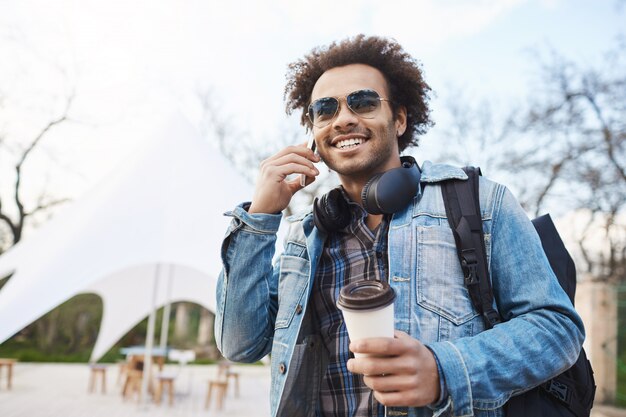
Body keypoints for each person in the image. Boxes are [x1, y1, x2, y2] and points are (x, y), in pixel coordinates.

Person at [214, 35, 585, 417]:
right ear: (314, 137)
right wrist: (260, 216)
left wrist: (445, 370)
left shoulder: (481, 203)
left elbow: (557, 329)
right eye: (325, 109)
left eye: (363, 102)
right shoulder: (302, 239)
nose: (342, 118)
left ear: (401, 119)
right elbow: (239, 344)